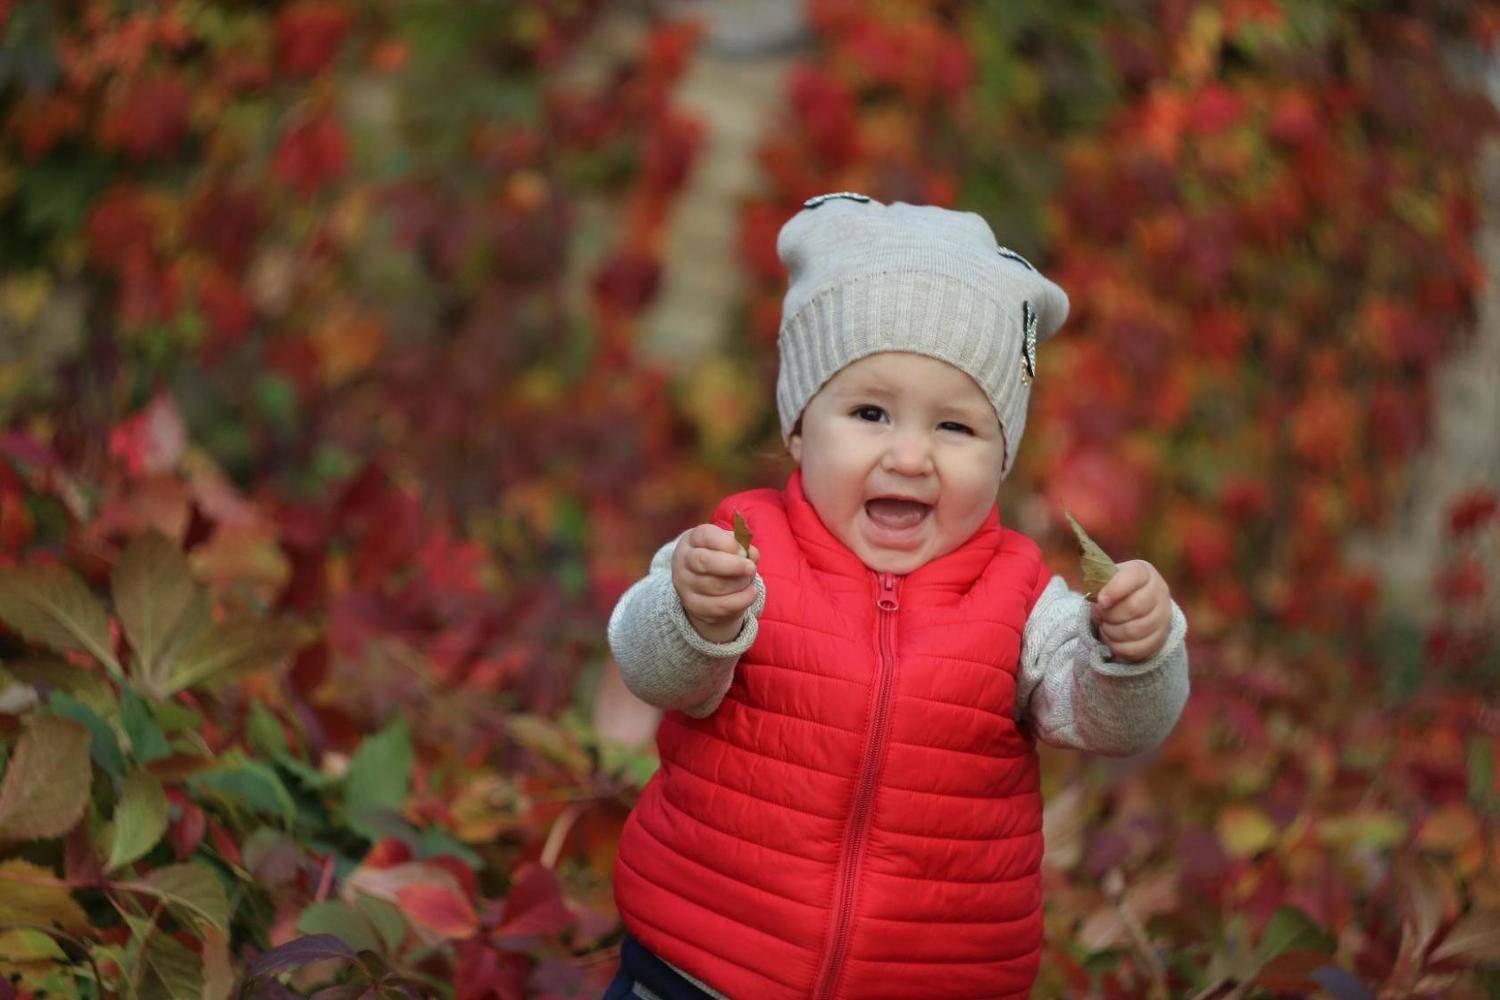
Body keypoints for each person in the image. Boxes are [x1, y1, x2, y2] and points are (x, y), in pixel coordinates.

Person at [602, 194, 1190, 1000]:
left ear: (1002, 455)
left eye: (955, 428)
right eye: (871, 413)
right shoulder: (739, 553)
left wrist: (1135, 653)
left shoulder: (1022, 600)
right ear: (799, 428)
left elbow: (1113, 722)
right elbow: (650, 666)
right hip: (700, 971)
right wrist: (693, 615)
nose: (910, 456)